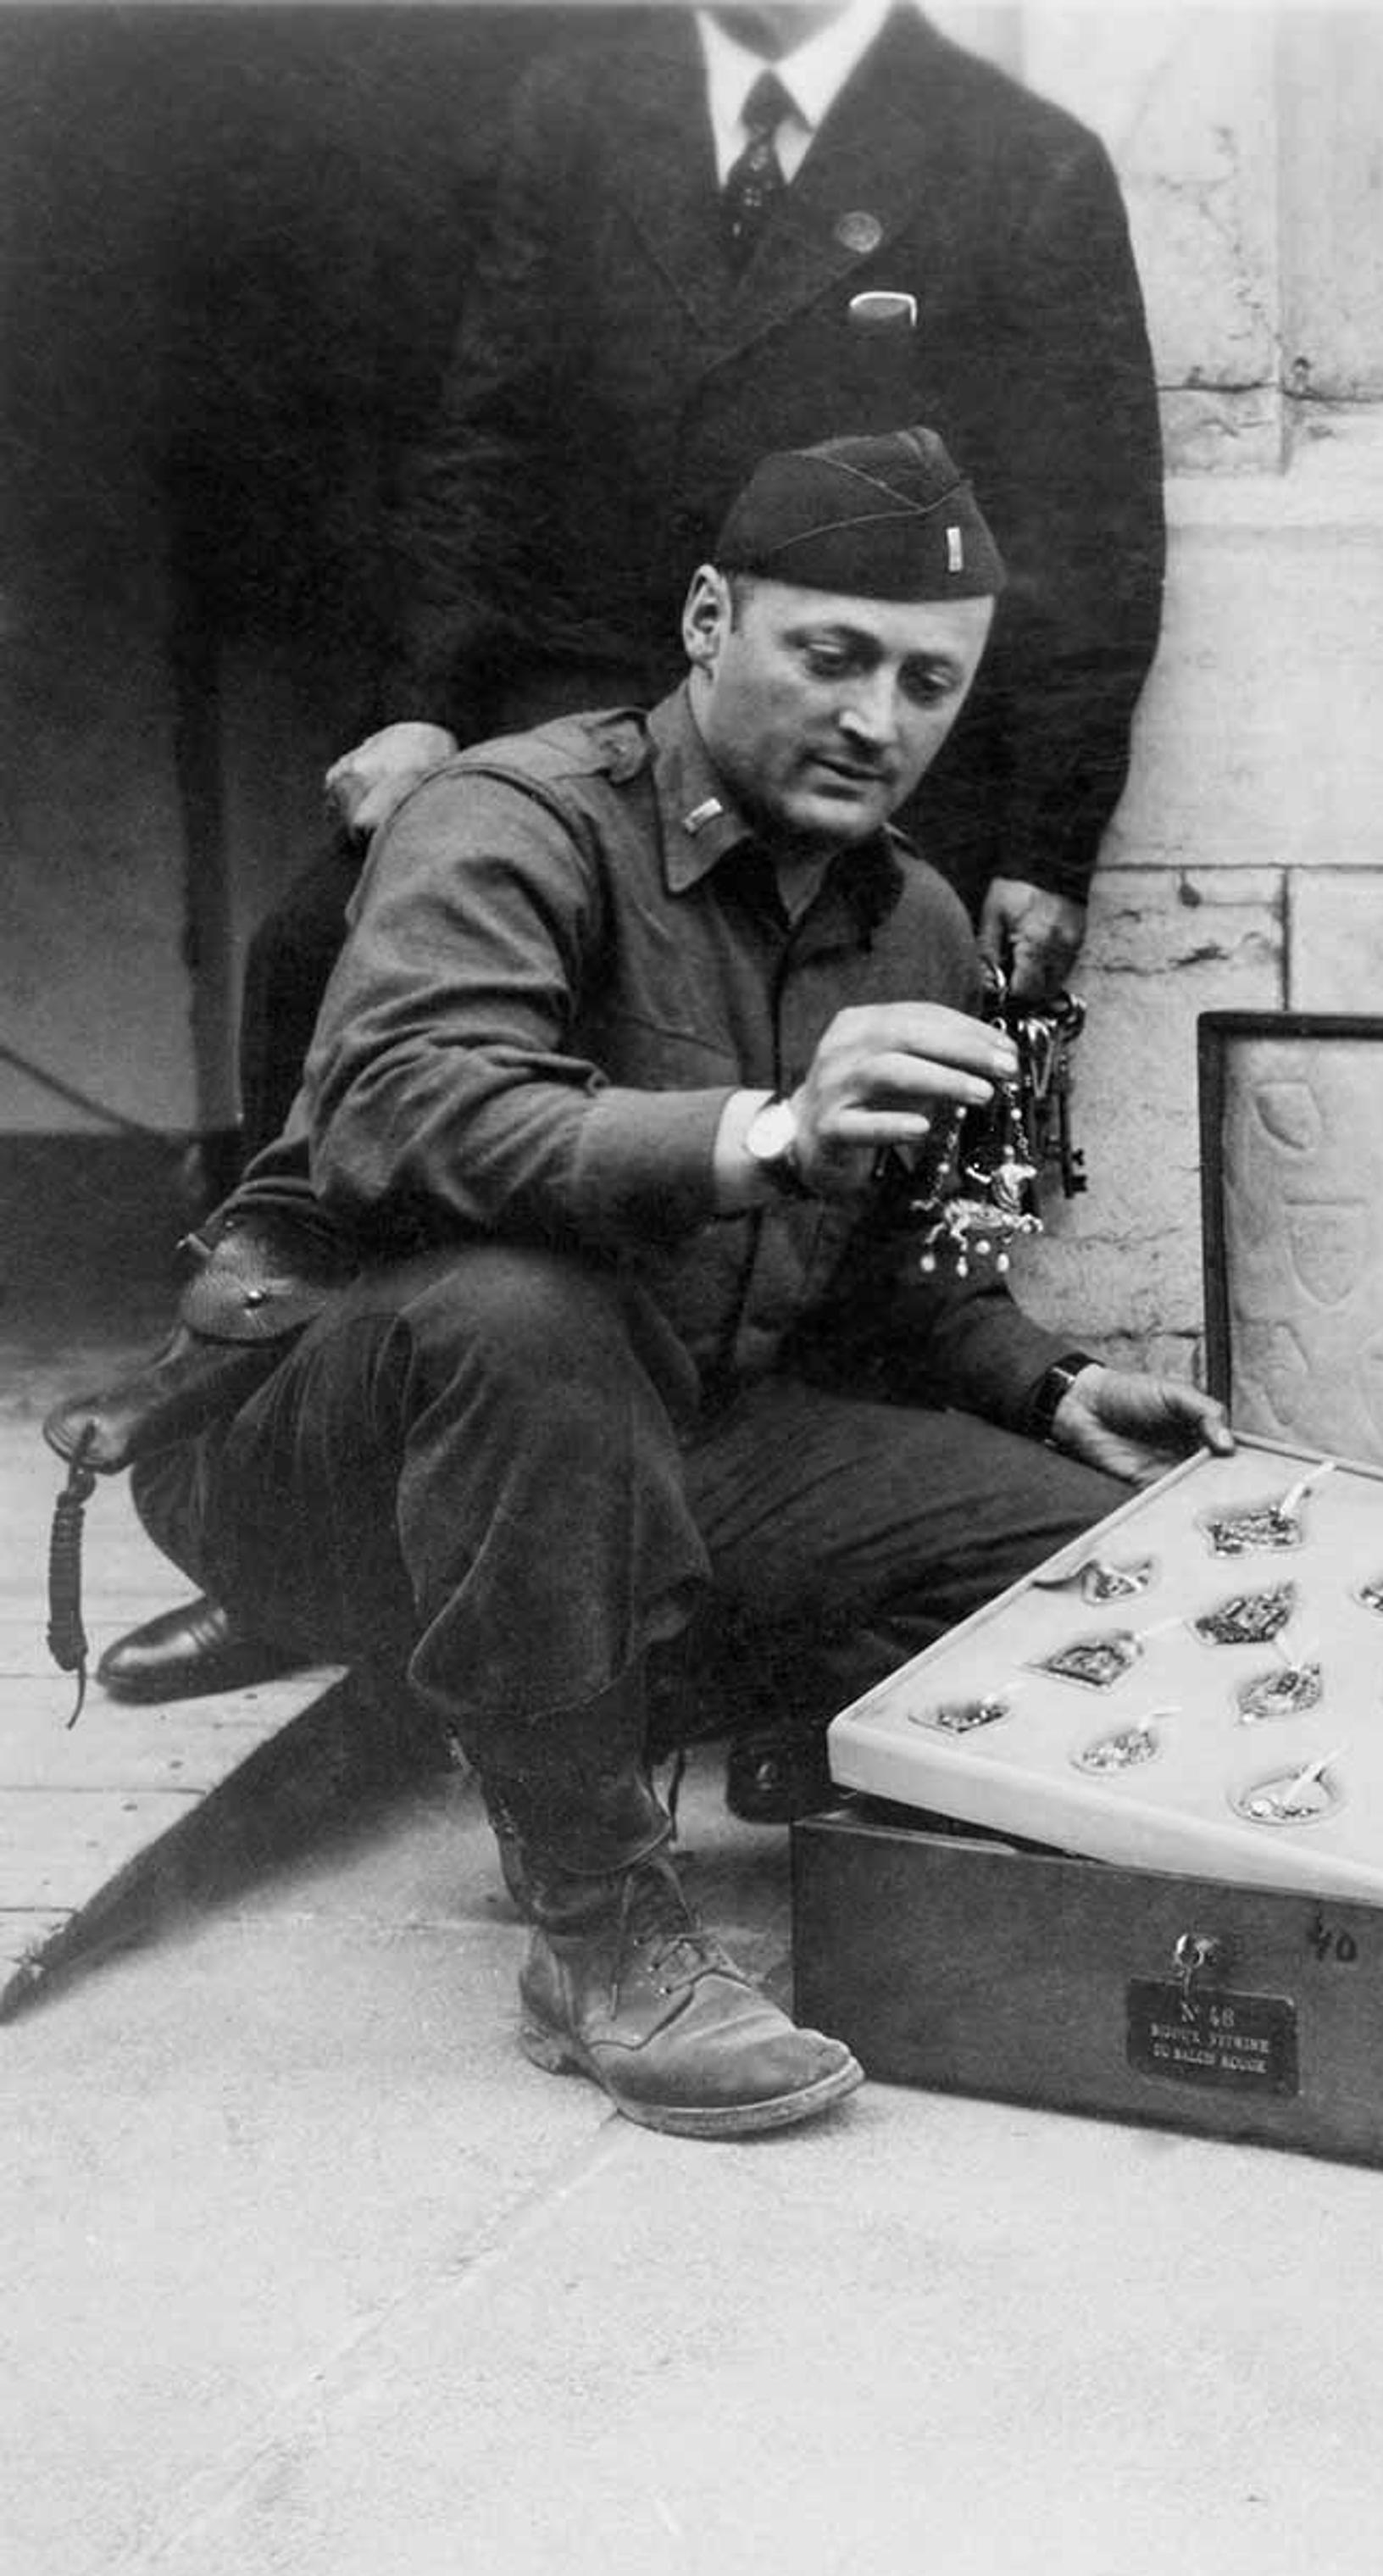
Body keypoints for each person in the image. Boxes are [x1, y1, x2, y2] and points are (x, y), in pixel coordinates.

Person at [124, 430, 1230, 2138]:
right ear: (710, 617)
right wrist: (768, 1129)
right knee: (525, 1313)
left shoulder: (914, 915)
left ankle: (595, 1715)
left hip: (649, 1444)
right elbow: (410, 1110)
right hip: (319, 1458)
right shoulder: (511, 815)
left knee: (1084, 1560)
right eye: (835, 654)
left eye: (931, 680)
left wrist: (1048, 1386)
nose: (882, 717)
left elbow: (877, 1287)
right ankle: (596, 1926)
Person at [103, 0, 1164, 1708]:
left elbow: (1096, 526)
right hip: (603, 703)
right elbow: (488, 435)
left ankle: (688, 1578)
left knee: (919, 1167)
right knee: (333, 955)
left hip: (851, 782)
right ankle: (308, 1525)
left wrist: (1049, 837)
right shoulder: (582, 106)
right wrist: (423, 713)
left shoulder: (1016, 157)